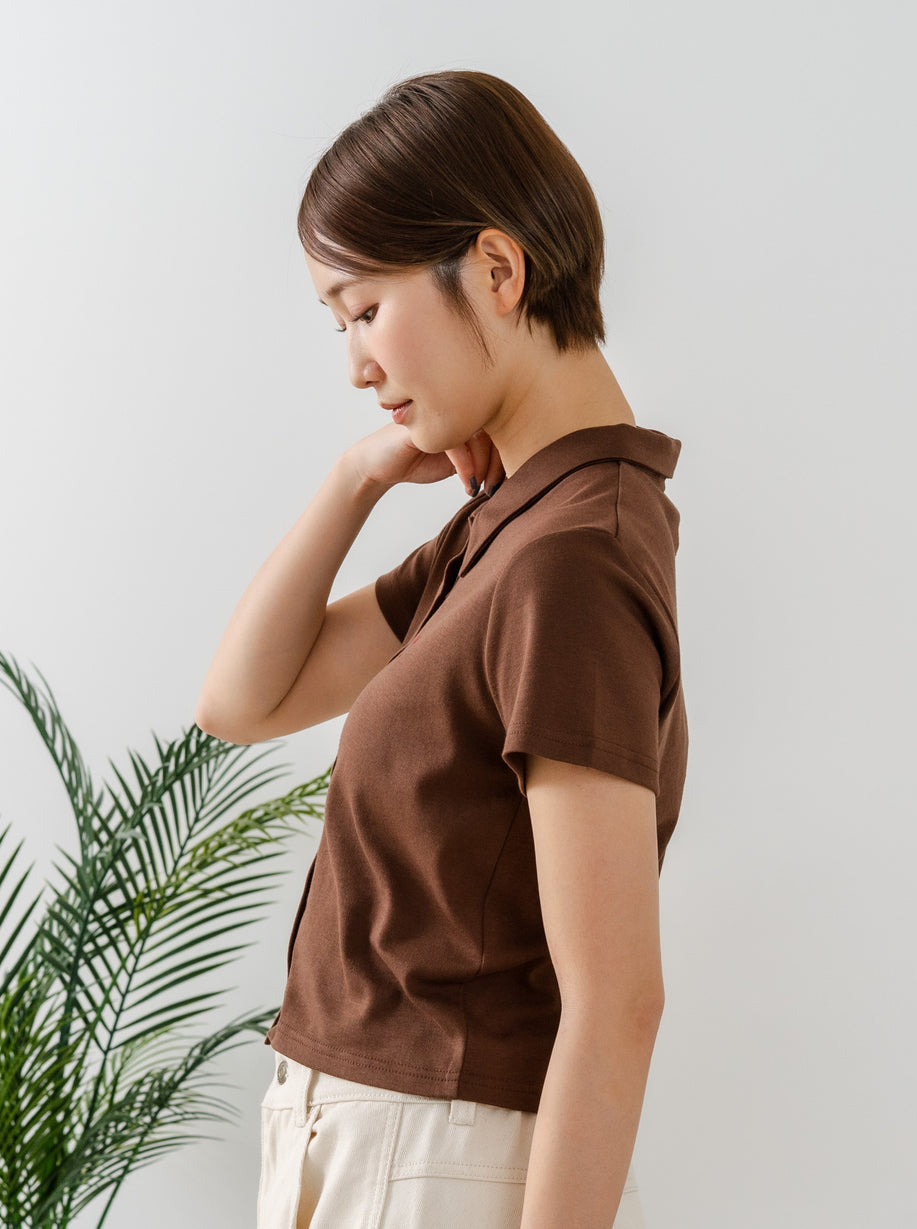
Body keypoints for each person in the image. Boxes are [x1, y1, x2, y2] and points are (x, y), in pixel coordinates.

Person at [195, 68, 688, 1229]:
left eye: (364, 308)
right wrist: (357, 476)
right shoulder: (509, 532)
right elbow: (242, 701)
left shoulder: (571, 557)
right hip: (377, 1142)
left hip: (427, 1155)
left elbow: (616, 996)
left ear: (497, 270)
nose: (355, 363)